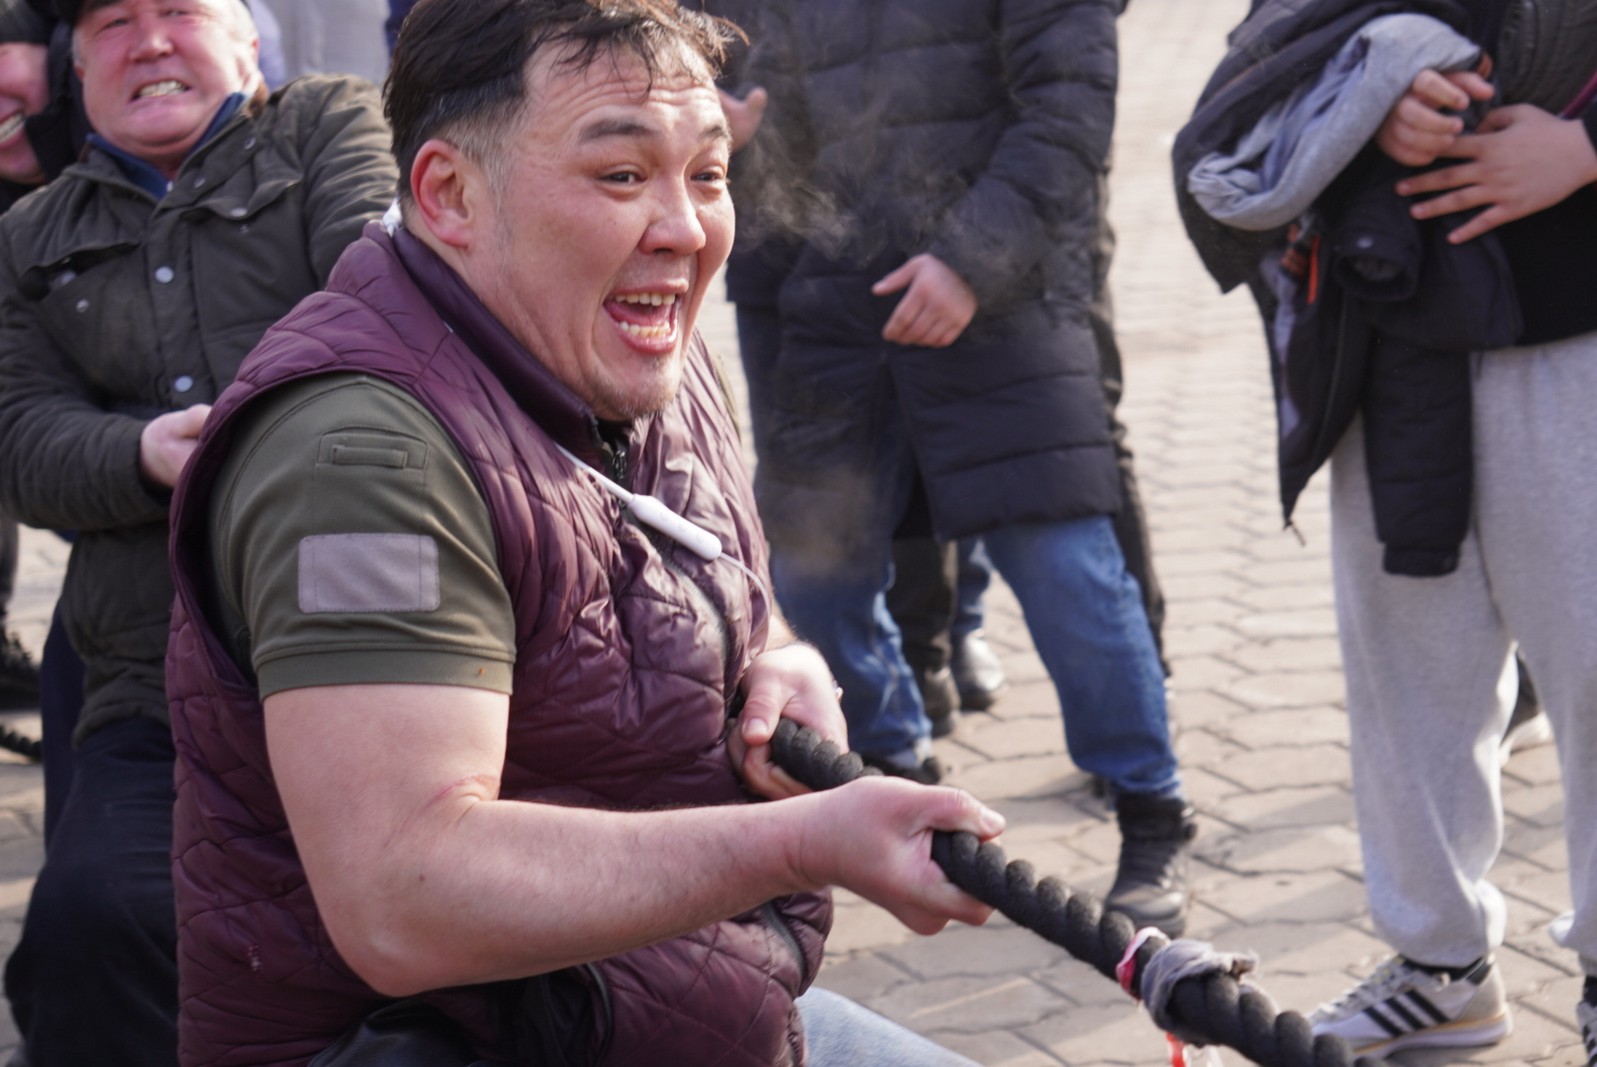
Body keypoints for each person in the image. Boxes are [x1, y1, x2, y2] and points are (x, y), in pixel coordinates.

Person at [163, 1, 1004, 1063]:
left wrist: (779, 652)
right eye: (620, 174)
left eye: (708, 173)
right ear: (449, 194)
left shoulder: (633, 335)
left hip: (676, 1011)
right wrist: (800, 840)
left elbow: (691, 566)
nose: (684, 228)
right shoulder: (361, 458)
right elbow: (403, 895)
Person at [716, 0, 1197, 936]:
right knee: (813, 581)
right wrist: (724, 130)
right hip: (832, 310)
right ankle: (897, 771)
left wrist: (970, 261)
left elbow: (1067, 107)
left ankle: (1150, 811)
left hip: (1001, 307)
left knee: (1067, 572)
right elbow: (738, 79)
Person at [1175, 0, 1597, 1054]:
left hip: (1577, 316)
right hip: (1393, 327)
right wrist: (1368, 101)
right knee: (1408, 671)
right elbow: (1279, 44)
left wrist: (1585, 148)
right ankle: (1441, 967)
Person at [0, 0, 395, 1056]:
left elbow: (380, 284)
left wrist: (247, 429)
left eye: (180, 8)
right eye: (114, 25)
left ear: (247, 43)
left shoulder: (325, 122)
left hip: (375, 648)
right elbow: (21, 442)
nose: (150, 41)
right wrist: (143, 452)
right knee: (89, 921)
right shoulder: (27, 236)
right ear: (78, 75)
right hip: (154, 677)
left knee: (404, 925)